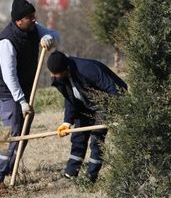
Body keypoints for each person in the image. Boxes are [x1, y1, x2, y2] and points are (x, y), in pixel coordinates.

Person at [0, 0, 59, 183]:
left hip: (26, 89)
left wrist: (48, 38)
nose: (35, 20)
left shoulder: (34, 29)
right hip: (7, 93)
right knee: (12, 133)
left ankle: (10, 171)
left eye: (34, 16)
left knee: (23, 133)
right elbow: (9, 76)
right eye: (30, 17)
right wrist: (21, 101)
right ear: (19, 20)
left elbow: (55, 36)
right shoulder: (6, 42)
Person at [47, 51, 126, 183]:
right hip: (85, 104)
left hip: (105, 104)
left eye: (57, 73)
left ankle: (91, 178)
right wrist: (67, 121)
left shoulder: (88, 70)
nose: (55, 76)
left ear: (66, 68)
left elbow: (116, 90)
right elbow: (70, 98)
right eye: (53, 73)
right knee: (78, 137)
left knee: (96, 139)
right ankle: (70, 175)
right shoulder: (59, 77)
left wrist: (123, 109)